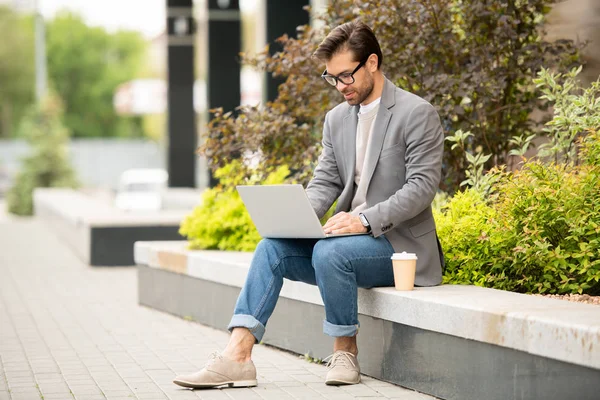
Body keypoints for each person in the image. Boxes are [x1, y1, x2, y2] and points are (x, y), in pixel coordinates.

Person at [173, 19, 445, 389]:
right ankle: (237, 355)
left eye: (346, 76)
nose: (340, 87)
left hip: (399, 248)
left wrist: (364, 220)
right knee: (272, 249)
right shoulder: (336, 120)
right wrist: (299, 218)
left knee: (330, 255)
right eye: (331, 78)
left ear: (372, 63)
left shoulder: (416, 113)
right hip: (345, 240)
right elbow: (326, 182)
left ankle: (345, 351)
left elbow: (422, 186)